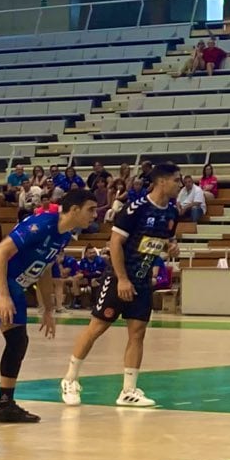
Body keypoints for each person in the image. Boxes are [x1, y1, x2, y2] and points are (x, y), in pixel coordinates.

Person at [0, 188, 100, 430]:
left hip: (13, 283)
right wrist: (2, 296)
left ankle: (5, 404)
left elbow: (44, 268)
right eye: (90, 210)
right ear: (74, 210)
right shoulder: (42, 225)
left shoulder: (64, 233)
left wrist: (48, 309)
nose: (95, 215)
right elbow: (0, 252)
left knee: (18, 340)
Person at [59, 160, 180, 409]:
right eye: (176, 180)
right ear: (162, 181)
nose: (180, 184)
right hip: (118, 279)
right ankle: (70, 379)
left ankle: (128, 390)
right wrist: (122, 278)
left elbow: (162, 239)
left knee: (138, 334)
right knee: (96, 328)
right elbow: (115, 243)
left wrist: (170, 246)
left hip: (143, 282)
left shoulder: (172, 211)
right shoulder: (135, 208)